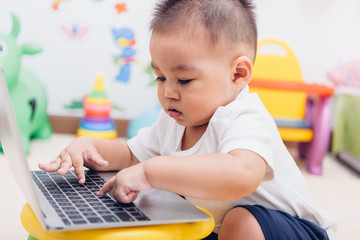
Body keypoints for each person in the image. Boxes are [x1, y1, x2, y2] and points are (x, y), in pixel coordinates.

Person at [39, 0, 337, 239]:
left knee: (242, 222)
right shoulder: (174, 120)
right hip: (217, 229)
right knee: (166, 219)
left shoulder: (245, 116)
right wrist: (91, 147)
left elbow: (242, 174)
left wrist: (151, 173)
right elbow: (131, 156)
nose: (168, 91)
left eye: (183, 79)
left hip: (294, 230)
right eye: (160, 77)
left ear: (238, 74)